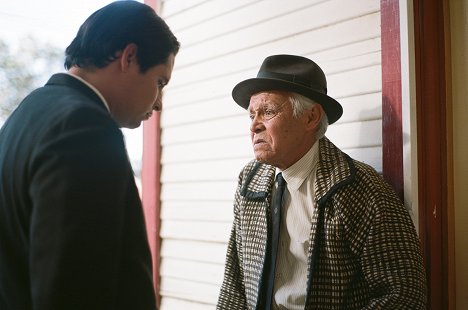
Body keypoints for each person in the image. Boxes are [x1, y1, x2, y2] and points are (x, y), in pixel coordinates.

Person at [0, 1, 179, 309]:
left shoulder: (29, 111)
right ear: (130, 57)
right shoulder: (84, 128)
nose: (159, 102)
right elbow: (73, 291)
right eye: (160, 82)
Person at [217, 54, 427, 309]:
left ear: (310, 117)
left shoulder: (360, 188)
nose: (254, 127)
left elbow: (404, 295)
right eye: (252, 115)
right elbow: (235, 284)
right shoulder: (250, 181)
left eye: (268, 112)